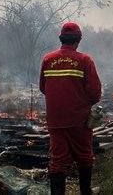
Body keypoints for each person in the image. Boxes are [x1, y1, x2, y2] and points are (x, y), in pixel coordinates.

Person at [39, 22, 102, 195]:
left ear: (62, 39)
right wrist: (82, 103)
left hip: (55, 121)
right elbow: (95, 93)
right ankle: (86, 192)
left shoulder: (48, 59)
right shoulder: (84, 60)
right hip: (79, 120)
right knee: (84, 156)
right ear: (78, 40)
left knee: (58, 160)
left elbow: (43, 88)